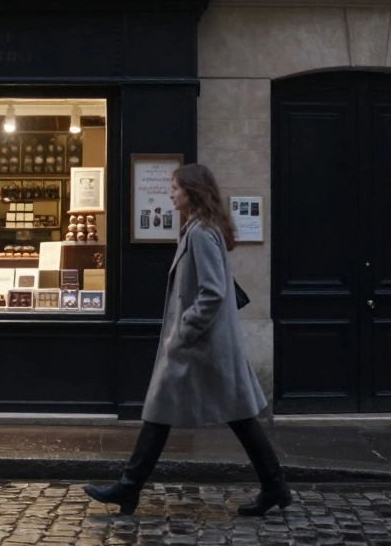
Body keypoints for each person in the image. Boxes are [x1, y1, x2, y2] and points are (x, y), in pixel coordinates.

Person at [84, 163, 291, 517]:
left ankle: (129, 487)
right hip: (205, 346)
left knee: (176, 410)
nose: (170, 193)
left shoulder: (199, 233)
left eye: (175, 187)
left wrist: (184, 330)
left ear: (192, 192)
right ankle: (273, 485)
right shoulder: (201, 229)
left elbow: (212, 292)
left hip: (199, 345)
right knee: (218, 414)